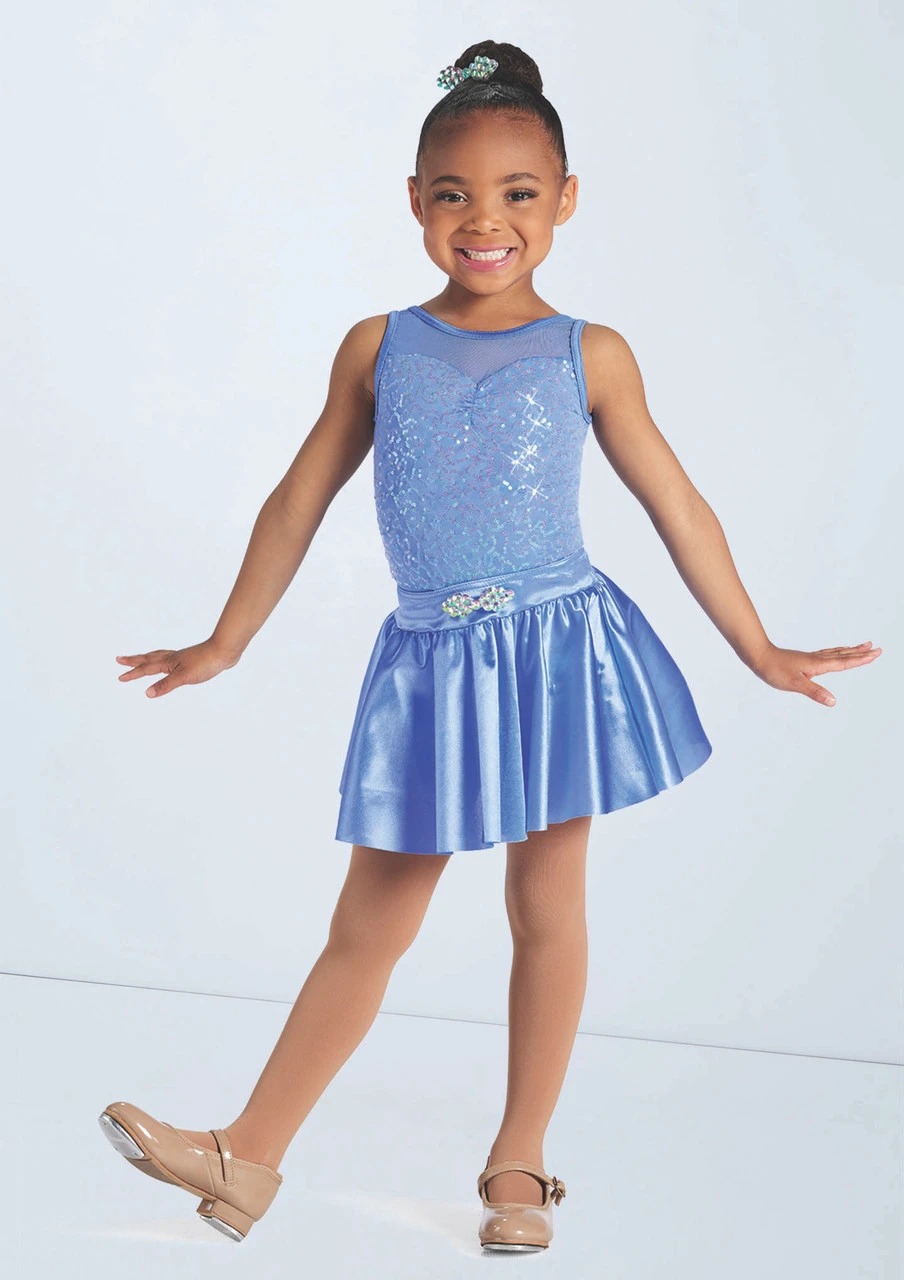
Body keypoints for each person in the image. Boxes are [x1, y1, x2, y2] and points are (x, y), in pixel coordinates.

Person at [97, 39, 882, 1253]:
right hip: (429, 668)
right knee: (369, 922)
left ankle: (520, 1162)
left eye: (517, 192)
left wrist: (758, 646)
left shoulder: (589, 353)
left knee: (544, 903)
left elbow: (677, 505)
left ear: (564, 199)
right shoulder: (377, 347)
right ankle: (247, 1156)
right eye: (454, 193)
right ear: (415, 200)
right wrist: (227, 639)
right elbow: (297, 499)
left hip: (559, 652)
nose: (485, 220)